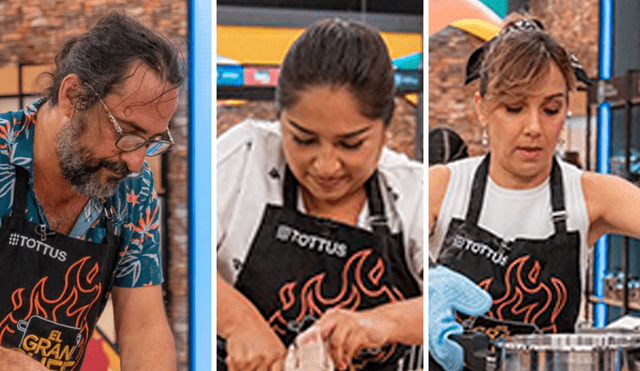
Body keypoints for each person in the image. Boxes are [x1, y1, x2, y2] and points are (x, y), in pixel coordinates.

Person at [429, 13, 640, 371]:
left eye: (551, 109)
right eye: (514, 108)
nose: (534, 128)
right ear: (482, 108)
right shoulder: (444, 188)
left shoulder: (589, 195)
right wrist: (422, 286)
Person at [217, 18, 423, 371]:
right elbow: (174, 259)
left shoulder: (411, 193)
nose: (326, 166)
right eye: (303, 139)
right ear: (279, 119)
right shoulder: (243, 159)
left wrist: (379, 323)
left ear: (385, 130)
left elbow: (448, 303)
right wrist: (239, 321)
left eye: (351, 144)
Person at [0, 11, 184, 371]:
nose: (134, 163)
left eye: (149, 143)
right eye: (127, 133)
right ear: (72, 95)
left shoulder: (134, 190)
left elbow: (144, 329)